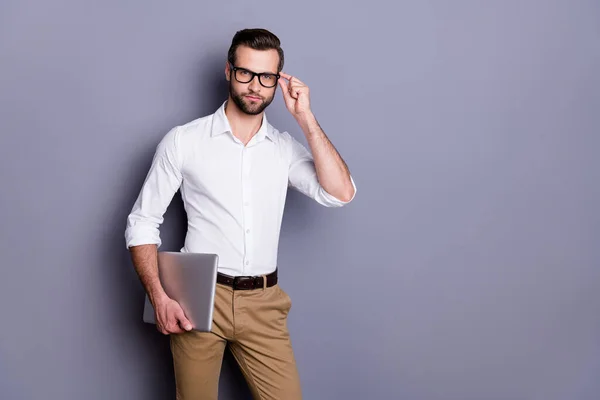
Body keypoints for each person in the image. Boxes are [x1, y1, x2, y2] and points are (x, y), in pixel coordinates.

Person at [124, 28, 357, 400]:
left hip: (264, 303)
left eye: (266, 77)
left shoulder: (282, 148)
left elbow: (341, 193)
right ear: (229, 71)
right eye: (246, 73)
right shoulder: (184, 141)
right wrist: (159, 295)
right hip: (198, 299)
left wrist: (305, 117)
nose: (255, 86)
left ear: (278, 81)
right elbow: (142, 222)